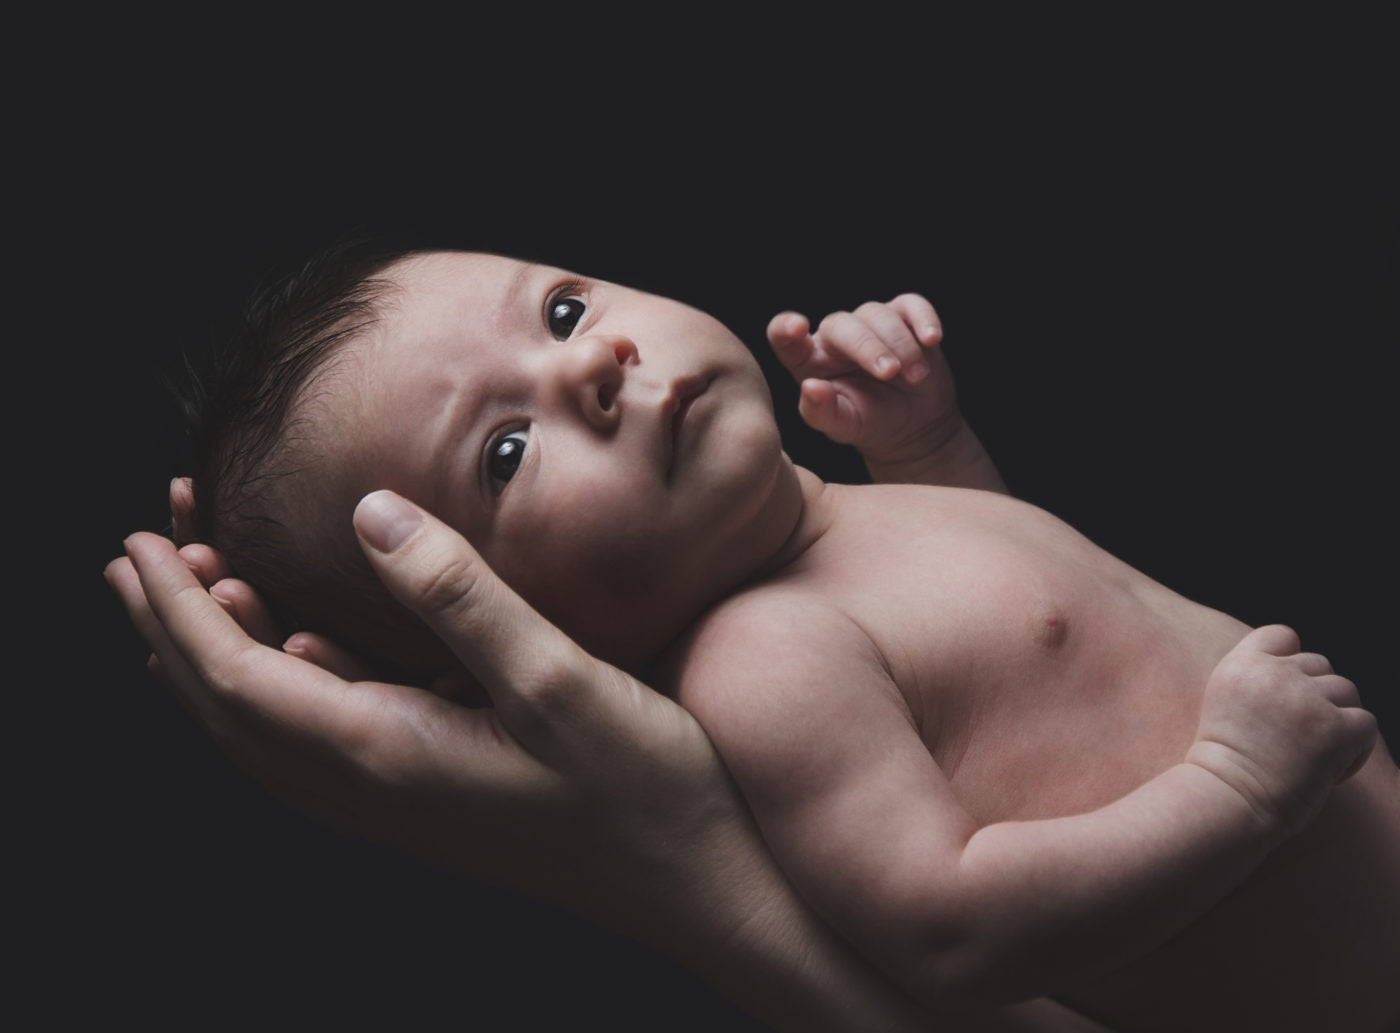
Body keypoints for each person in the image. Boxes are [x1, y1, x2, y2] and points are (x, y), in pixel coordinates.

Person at [112, 242, 1398, 1032]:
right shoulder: (767, 663)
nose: (591, 367)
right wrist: (1234, 784)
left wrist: (928, 447)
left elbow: (1017, 648)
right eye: (503, 452)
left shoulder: (844, 520)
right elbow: (951, 926)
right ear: (491, 633)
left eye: (560, 312)